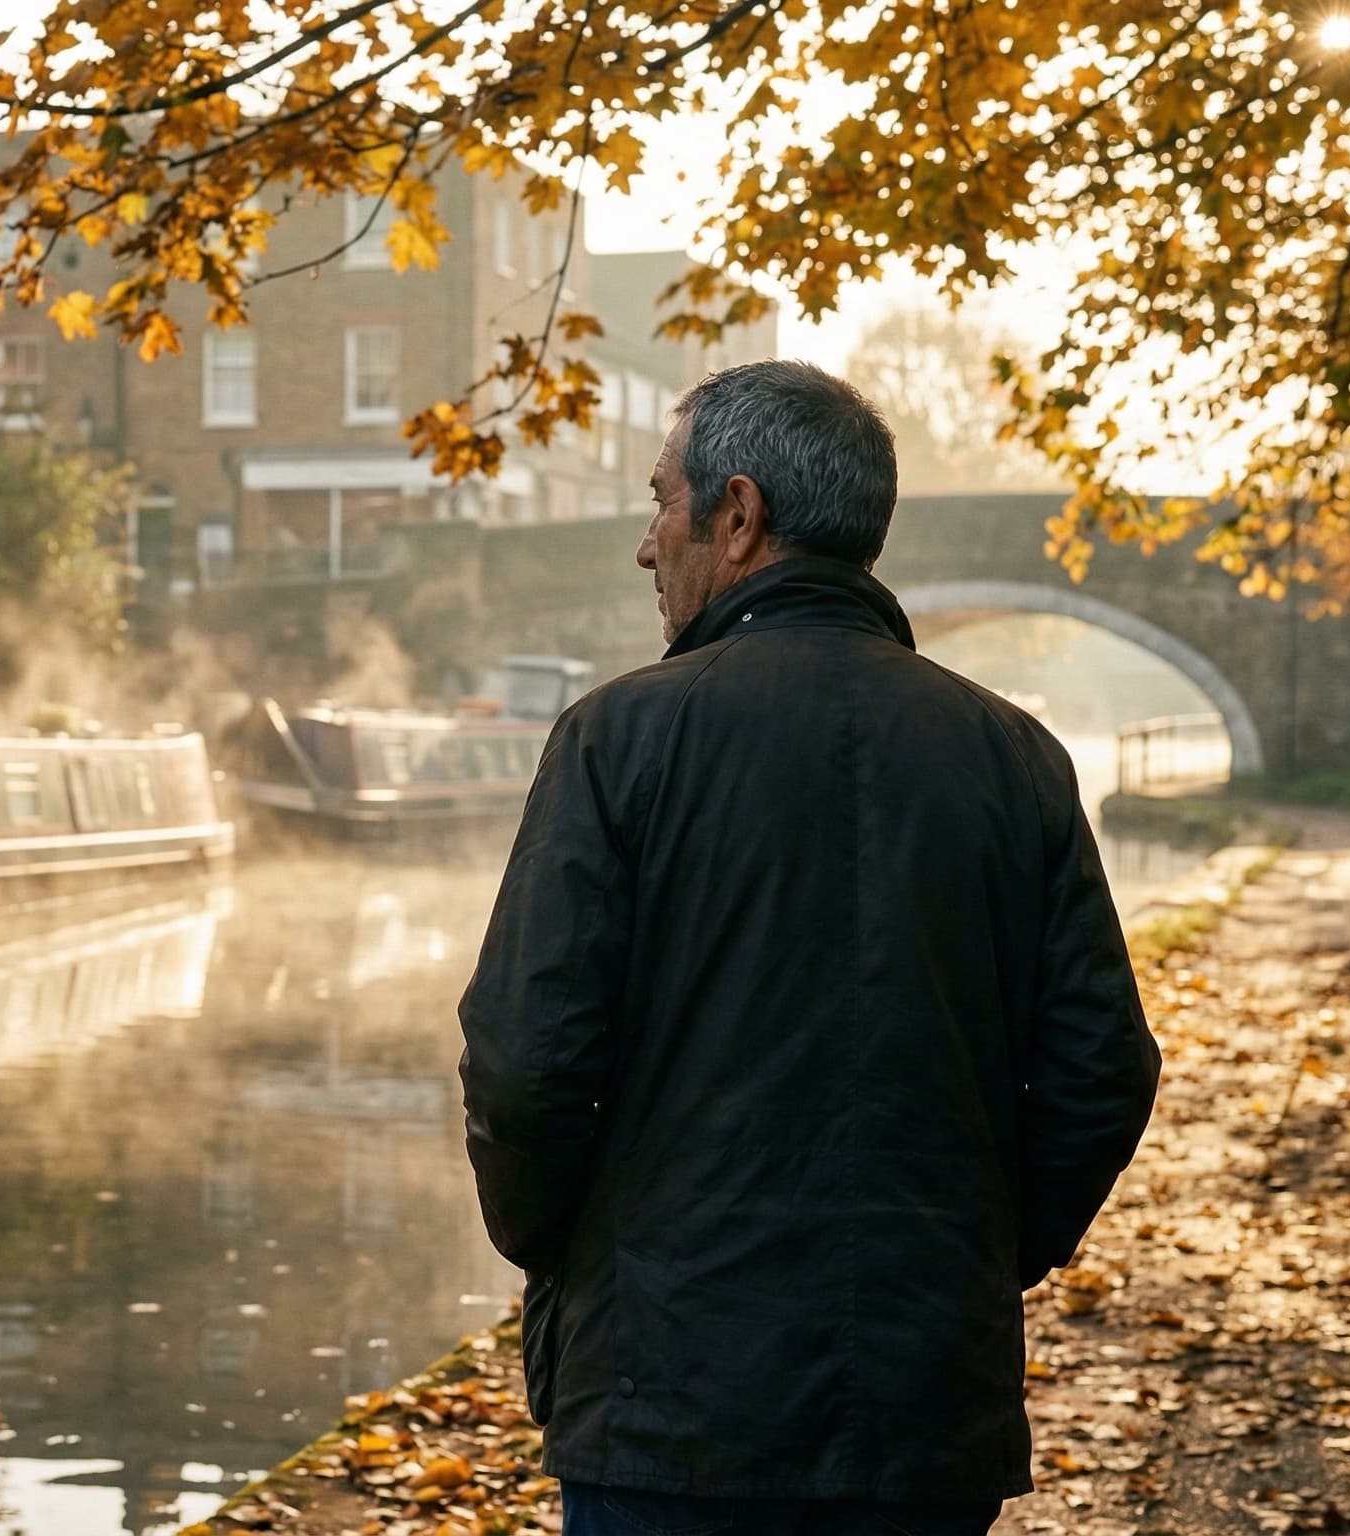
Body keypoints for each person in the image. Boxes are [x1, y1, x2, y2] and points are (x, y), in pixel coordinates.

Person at [458, 360, 1161, 1535]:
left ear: (737, 516)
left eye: (661, 502)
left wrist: (568, 1254)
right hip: (923, 1409)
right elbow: (1102, 1072)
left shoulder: (616, 741)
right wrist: (977, 1252)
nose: (644, 545)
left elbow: (526, 1062)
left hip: (666, 1407)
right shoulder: (1015, 758)